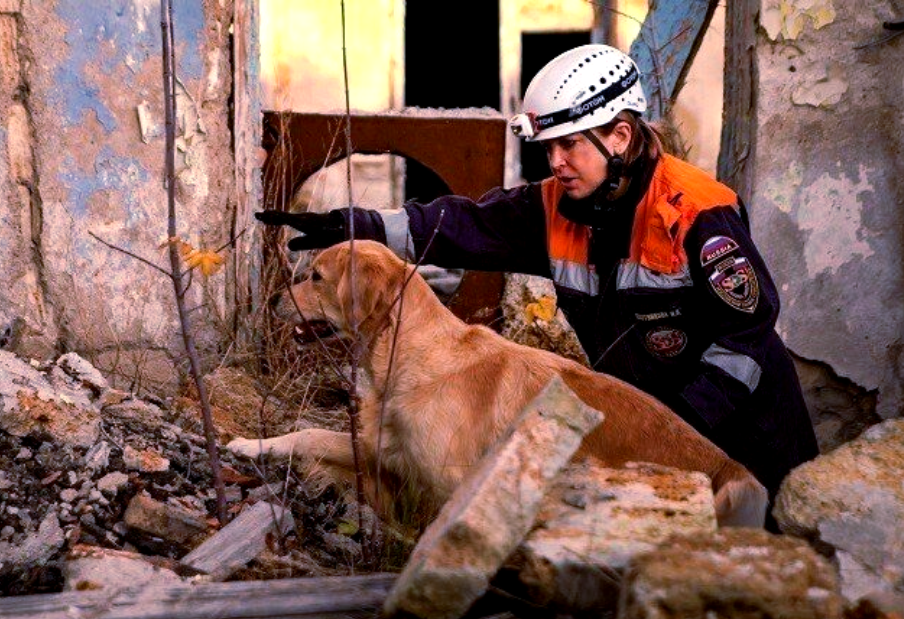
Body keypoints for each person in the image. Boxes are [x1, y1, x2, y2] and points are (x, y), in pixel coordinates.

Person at [257, 44, 818, 520]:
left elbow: (745, 337)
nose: (556, 162)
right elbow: (461, 226)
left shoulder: (697, 212)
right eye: (548, 147)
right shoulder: (554, 205)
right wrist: (358, 223)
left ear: (619, 136)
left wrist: (677, 425)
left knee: (780, 574)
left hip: (749, 431)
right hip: (642, 434)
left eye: (569, 144)